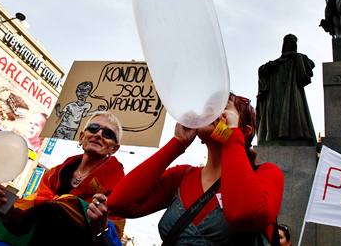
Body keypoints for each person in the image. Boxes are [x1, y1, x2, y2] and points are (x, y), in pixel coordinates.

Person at [107, 93, 284, 245]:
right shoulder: (182, 175)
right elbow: (119, 203)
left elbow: (244, 213)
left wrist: (232, 135)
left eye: (223, 107)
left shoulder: (267, 173)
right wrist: (177, 144)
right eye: (208, 109)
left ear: (245, 131)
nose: (211, 112)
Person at [0, 111, 125, 246]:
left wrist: (102, 228)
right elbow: (23, 225)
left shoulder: (119, 189)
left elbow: (114, 241)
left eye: (108, 133)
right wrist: (6, 208)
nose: (99, 134)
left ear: (114, 148)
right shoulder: (52, 175)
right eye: (94, 128)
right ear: (82, 136)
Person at [256, 34, 316, 146]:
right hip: (275, 94)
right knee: (274, 117)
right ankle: (274, 137)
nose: (288, 44)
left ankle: (296, 137)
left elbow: (310, 65)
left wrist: (297, 57)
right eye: (286, 42)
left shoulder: (299, 58)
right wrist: (272, 65)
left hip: (292, 93)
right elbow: (262, 71)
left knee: (294, 115)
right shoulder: (275, 63)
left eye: (291, 42)